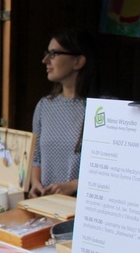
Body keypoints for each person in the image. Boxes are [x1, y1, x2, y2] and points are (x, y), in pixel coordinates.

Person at [29, 28, 97, 197]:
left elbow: (112, 166)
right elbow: (36, 157)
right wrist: (35, 183)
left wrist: (75, 185)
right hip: (46, 206)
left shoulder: (102, 109)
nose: (45, 60)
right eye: (47, 53)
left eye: (54, 54)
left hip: (83, 209)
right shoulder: (45, 105)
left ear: (78, 61)